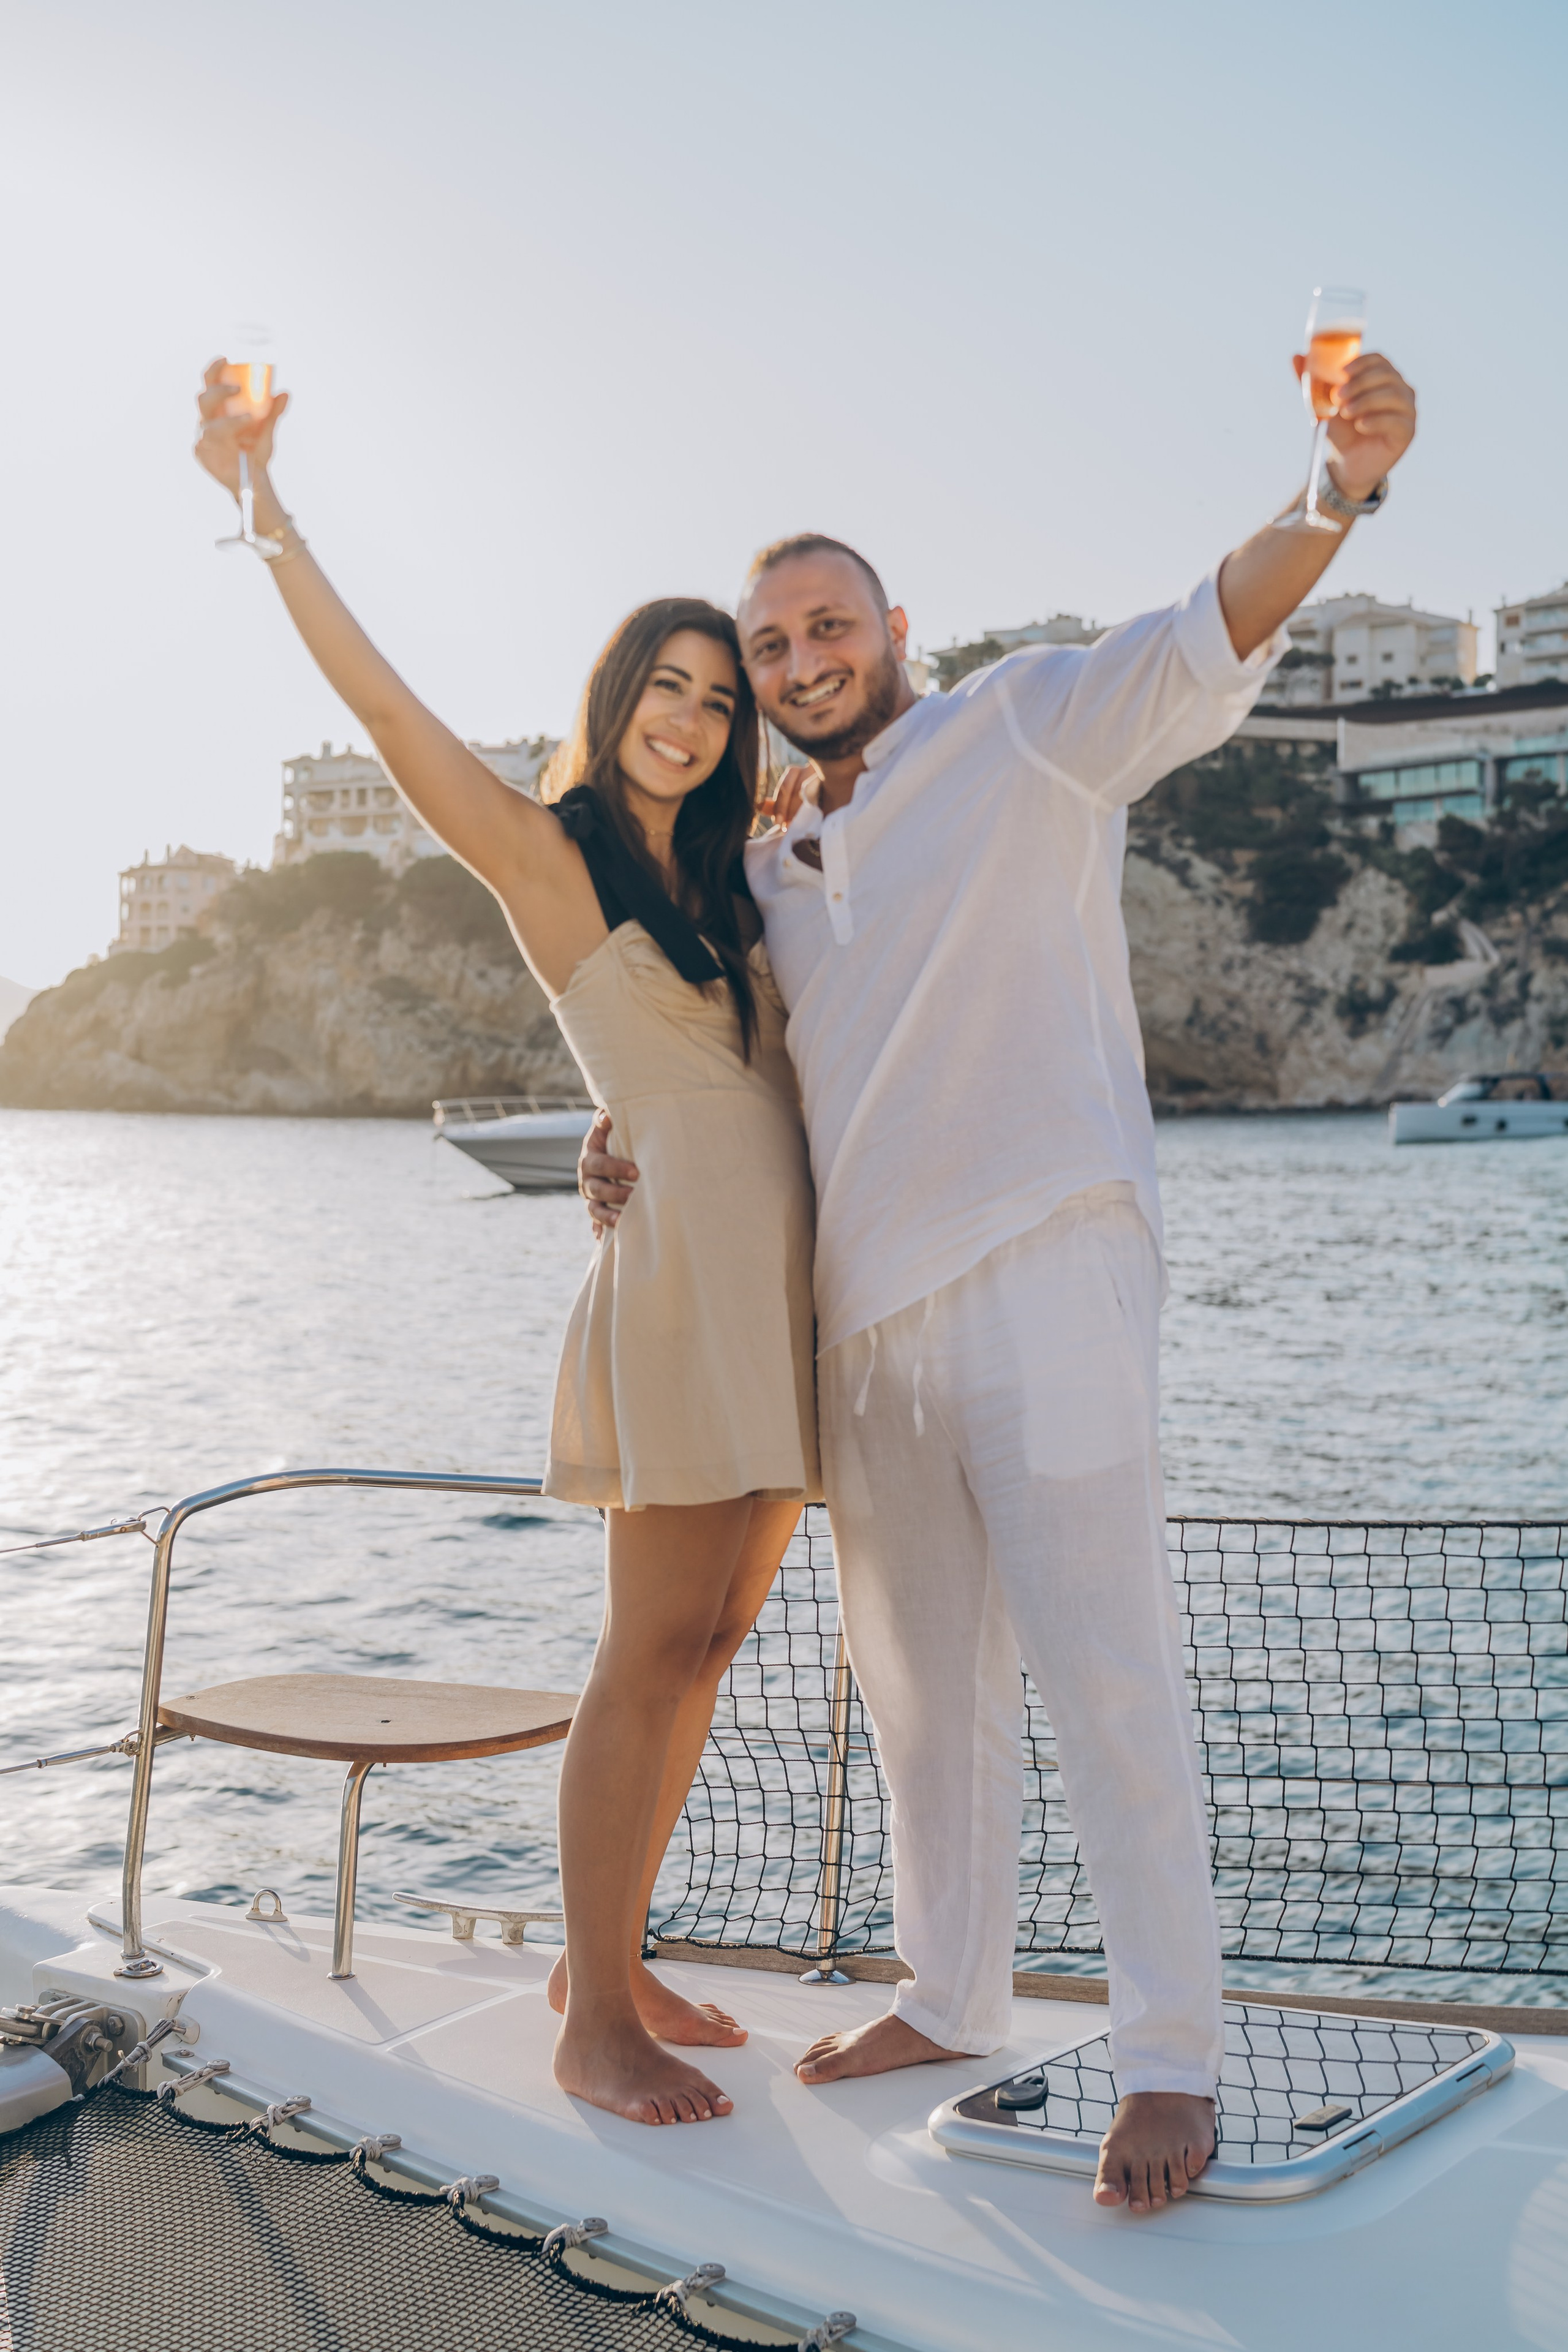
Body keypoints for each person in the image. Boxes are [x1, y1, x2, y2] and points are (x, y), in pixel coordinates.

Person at [581, 350, 1419, 2209]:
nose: (795, 662)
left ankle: (1171, 2054)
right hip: (868, 1325)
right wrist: (616, 1137)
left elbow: (1212, 623)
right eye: (767, 642)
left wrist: (1335, 488)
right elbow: (727, 1070)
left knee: (1110, 1674)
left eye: (823, 625)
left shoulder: (1030, 722)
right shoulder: (772, 863)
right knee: (917, 1695)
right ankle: (950, 1993)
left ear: (897, 627)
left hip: (1051, 1261)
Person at [192, 363, 822, 2129]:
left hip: (772, 1289)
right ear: (614, 698)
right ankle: (589, 2021)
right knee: (646, 1649)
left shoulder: (729, 880)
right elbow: (390, 719)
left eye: (718, 699)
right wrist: (268, 513)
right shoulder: (550, 856)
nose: (690, 721)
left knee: (712, 1647)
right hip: (691, 1283)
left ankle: (601, 1961)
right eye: (666, 687)